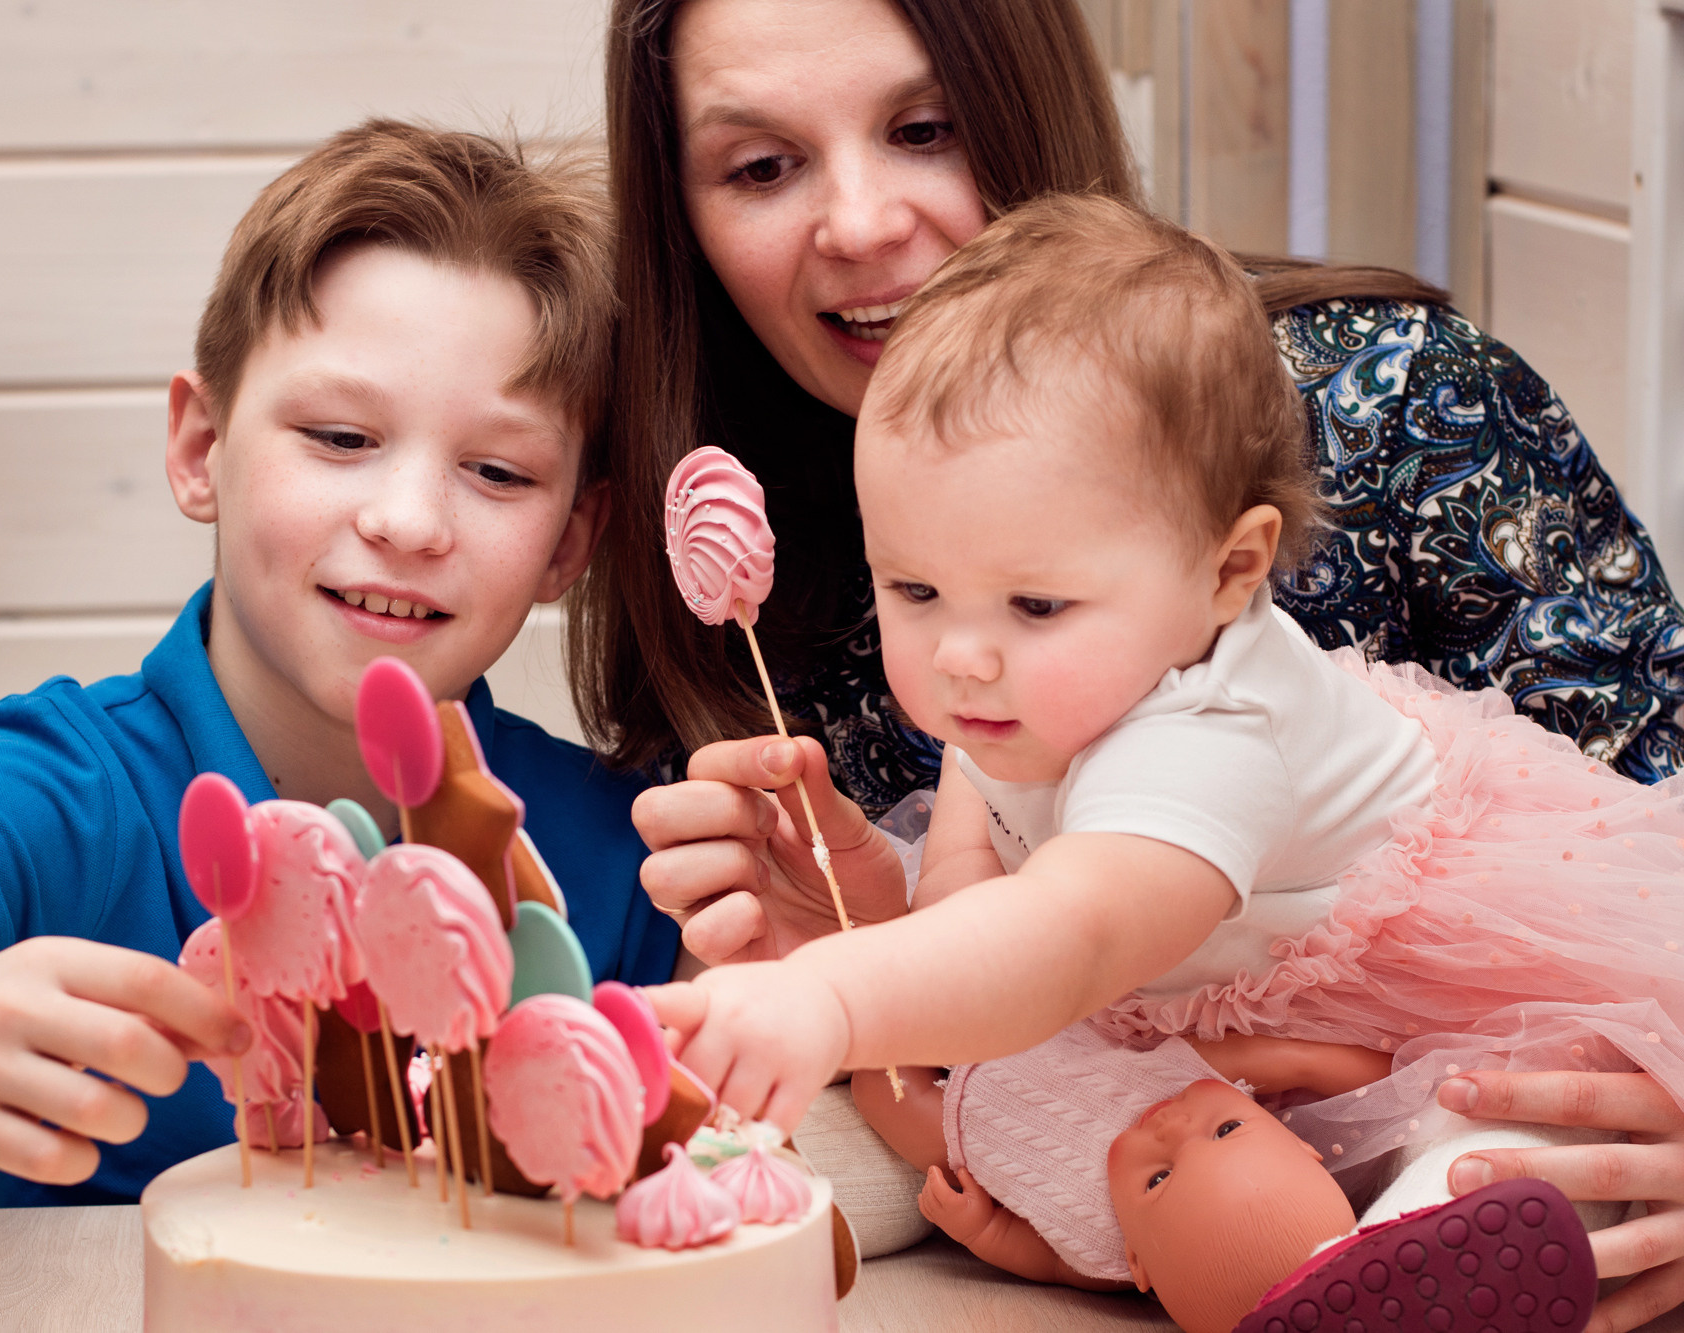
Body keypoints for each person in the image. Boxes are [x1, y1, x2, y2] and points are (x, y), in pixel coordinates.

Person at [597, 1, 1684, 1324]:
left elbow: (1077, 930)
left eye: (924, 126)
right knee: (940, 1128)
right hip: (1185, 1056)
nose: (958, 657)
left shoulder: (1210, 711)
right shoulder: (1002, 633)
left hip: (1452, 1018)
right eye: (915, 590)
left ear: (1232, 572)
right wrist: (859, 959)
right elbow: (973, 949)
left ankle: (1383, 1282)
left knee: (1495, 1160)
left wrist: (830, 996)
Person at [0, 122, 678, 1209]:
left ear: (571, 543)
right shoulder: (55, 791)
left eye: (495, 470)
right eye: (341, 438)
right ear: (201, 450)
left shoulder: (615, 853)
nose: (408, 520)